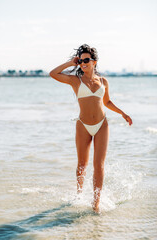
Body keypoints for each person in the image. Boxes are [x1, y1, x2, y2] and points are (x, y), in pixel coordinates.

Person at [49, 44, 133, 213]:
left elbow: (107, 102)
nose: (83, 63)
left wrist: (122, 113)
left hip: (102, 125)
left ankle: (96, 204)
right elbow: (53, 74)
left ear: (94, 62)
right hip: (83, 125)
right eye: (81, 60)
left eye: (86, 60)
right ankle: (79, 195)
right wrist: (69, 64)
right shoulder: (75, 80)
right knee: (82, 164)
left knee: (99, 165)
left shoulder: (103, 81)